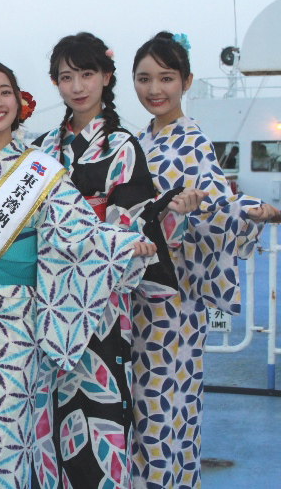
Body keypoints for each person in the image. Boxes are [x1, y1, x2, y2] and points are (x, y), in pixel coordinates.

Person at [0, 61, 154, 489]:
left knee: (11, 433)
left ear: (19, 101)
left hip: (17, 322)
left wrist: (122, 245)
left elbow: (77, 232)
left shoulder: (42, 170)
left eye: (5, 92)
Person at [30, 32, 204, 489]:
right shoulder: (43, 149)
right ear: (55, 82)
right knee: (48, 416)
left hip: (100, 301)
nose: (77, 87)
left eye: (87, 74)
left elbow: (132, 222)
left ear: (107, 77)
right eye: (66, 77)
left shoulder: (123, 146)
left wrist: (133, 233)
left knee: (100, 410)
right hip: (48, 299)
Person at [130, 31, 279, 488]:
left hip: (172, 300)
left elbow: (218, 209)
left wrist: (253, 212)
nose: (155, 89)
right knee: (146, 405)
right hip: (135, 294)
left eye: (166, 78)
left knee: (162, 405)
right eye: (144, 78)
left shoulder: (192, 142)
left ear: (187, 81)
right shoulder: (140, 140)